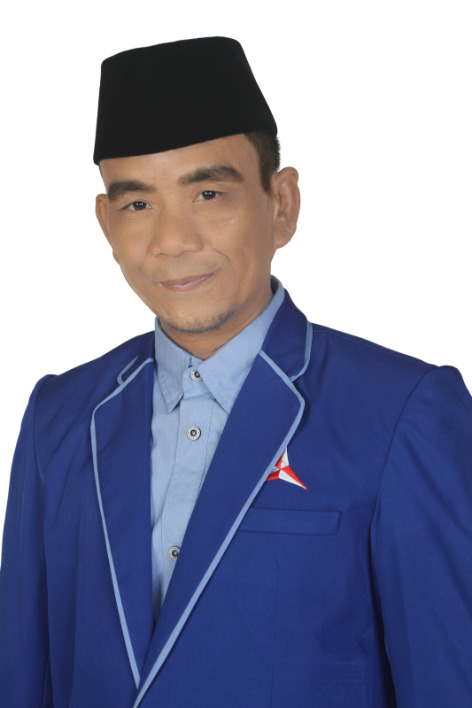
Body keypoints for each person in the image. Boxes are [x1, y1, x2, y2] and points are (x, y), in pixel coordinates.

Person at [0, 36, 471, 708]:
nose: (173, 241)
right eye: (138, 204)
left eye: (209, 192)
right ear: (105, 223)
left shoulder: (403, 415)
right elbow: (22, 676)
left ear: (281, 204)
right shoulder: (60, 416)